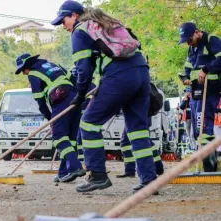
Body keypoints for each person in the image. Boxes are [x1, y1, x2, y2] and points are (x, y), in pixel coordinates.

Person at [52, 1, 158, 194]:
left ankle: (98, 175)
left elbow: (83, 69)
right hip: (141, 71)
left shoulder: (80, 30)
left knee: (89, 124)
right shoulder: (106, 23)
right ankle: (149, 180)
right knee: (137, 130)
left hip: (119, 75)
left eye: (63, 20)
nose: (63, 25)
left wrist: (81, 94)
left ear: (74, 16)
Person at [14, 53, 86, 183]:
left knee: (59, 137)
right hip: (75, 99)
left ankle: (75, 167)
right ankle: (63, 172)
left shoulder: (33, 74)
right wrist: (82, 97)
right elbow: (74, 80)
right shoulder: (53, 65)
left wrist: (50, 118)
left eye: (22, 70)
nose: (24, 74)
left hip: (61, 99)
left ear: (27, 65)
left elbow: (40, 101)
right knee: (70, 140)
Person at [178, 22, 221, 172]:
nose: (188, 43)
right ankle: (205, 165)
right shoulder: (192, 48)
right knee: (199, 130)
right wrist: (185, 77)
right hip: (196, 91)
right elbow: (188, 67)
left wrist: (206, 68)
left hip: (211, 89)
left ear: (197, 32)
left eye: (189, 39)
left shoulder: (211, 40)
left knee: (205, 126)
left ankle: (210, 168)